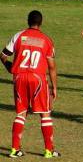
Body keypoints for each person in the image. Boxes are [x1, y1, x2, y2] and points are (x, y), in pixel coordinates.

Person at [0, 10, 60, 158]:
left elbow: (2, 56)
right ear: (41, 23)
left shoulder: (18, 36)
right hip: (37, 79)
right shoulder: (46, 40)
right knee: (45, 114)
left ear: (28, 21)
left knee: (21, 113)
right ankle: (48, 151)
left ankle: (14, 149)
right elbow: (52, 67)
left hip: (19, 78)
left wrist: (10, 68)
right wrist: (54, 87)